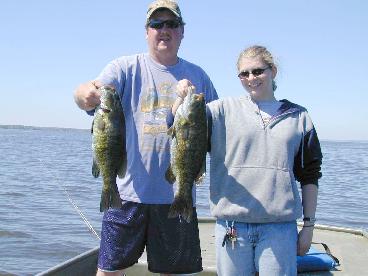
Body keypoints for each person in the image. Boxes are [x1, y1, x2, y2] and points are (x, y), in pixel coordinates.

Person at [73, 1, 218, 275]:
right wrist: (85, 95)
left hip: (176, 192)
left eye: (171, 24)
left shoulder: (199, 76)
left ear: (182, 31)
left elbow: (217, 127)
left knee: (173, 271)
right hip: (126, 193)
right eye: (156, 24)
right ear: (146, 31)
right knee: (109, 269)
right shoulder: (125, 67)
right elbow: (85, 93)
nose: (164, 30)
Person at [172, 45, 322, 276]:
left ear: (273, 71)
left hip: (279, 229)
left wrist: (308, 227)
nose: (251, 78)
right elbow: (180, 126)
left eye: (258, 71)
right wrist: (180, 97)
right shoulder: (220, 110)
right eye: (244, 73)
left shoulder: (299, 117)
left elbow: (310, 176)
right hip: (232, 227)